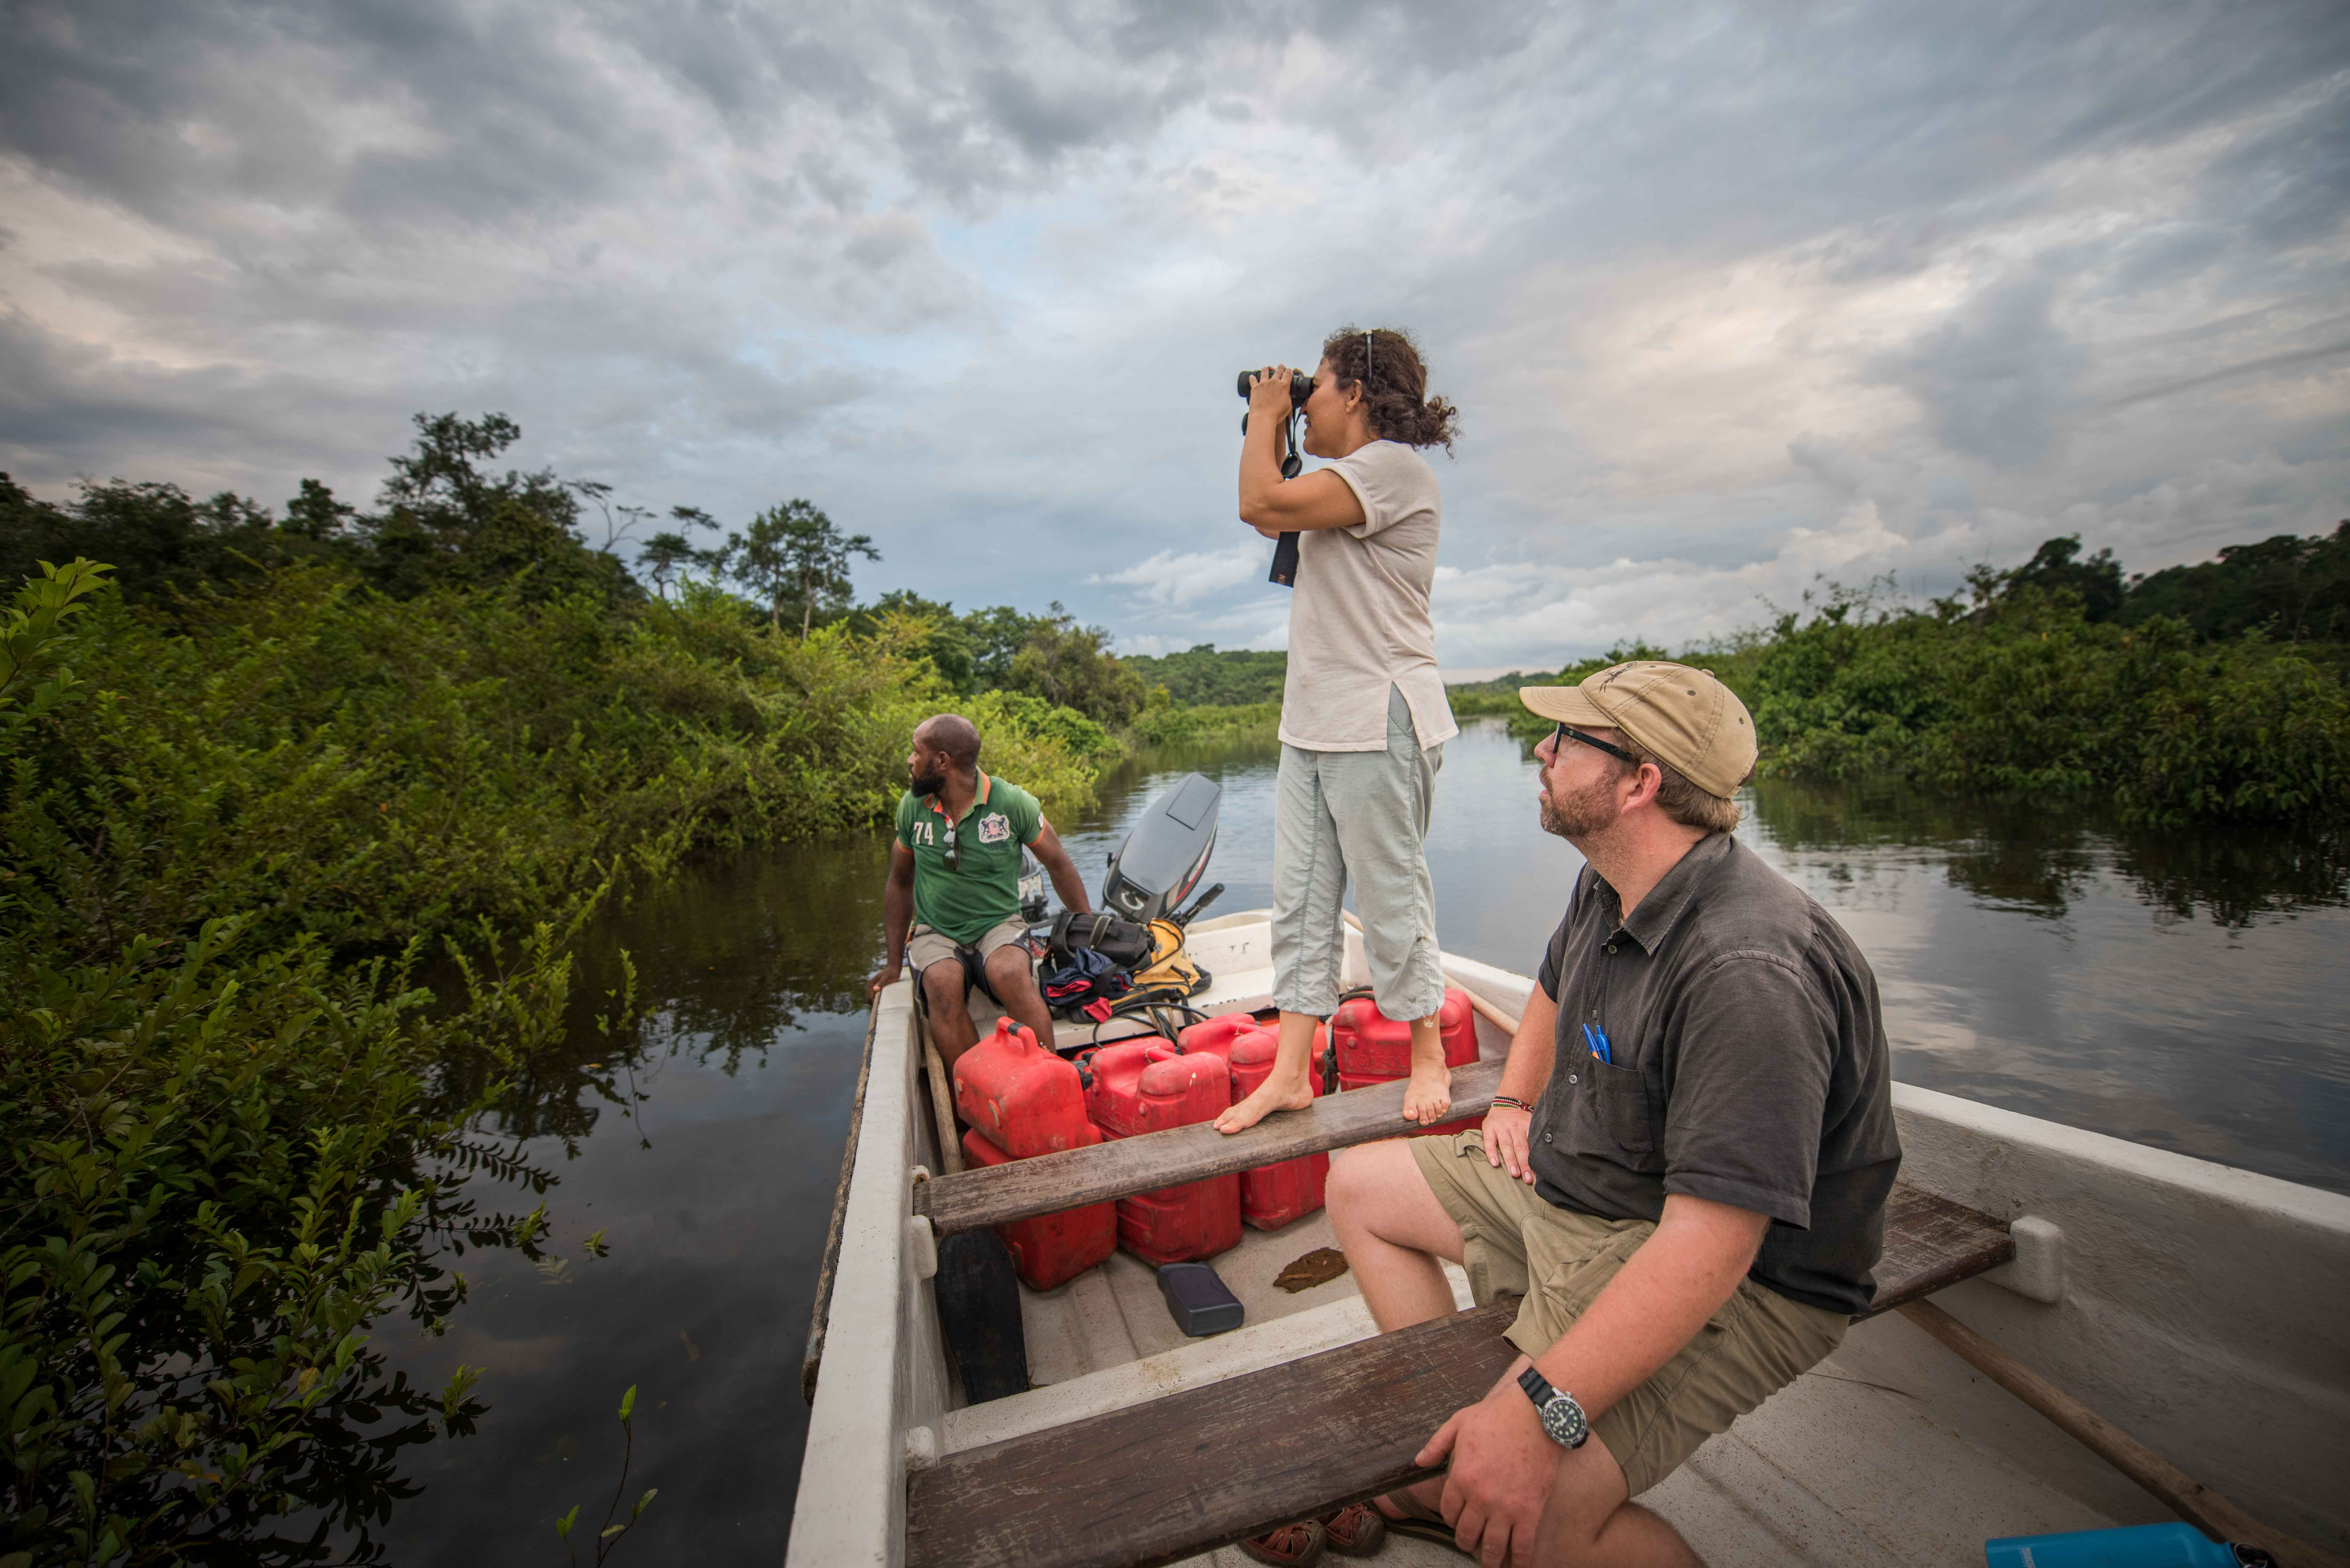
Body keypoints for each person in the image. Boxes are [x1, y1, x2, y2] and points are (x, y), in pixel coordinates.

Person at [1323, 662, 1901, 1567]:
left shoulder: (1745, 972)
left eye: (1567, 741)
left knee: (1542, 1516)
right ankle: (1464, 1455)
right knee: (1357, 1181)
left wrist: (1539, 1409)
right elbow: (1554, 987)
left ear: (1640, 784)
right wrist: (1512, 1099)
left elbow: (1708, 1247)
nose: (1539, 751)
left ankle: (1497, 1456)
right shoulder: (1615, 874)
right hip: (1589, 1192)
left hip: (1739, 1279)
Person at [1216, 325, 1464, 1137]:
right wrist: (1279, 424)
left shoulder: (1392, 468)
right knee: (1301, 903)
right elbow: (1270, 514)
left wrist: (1262, 413)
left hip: (1379, 714)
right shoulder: (1342, 482)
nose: (1303, 402)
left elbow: (1259, 500)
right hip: (1315, 721)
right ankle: (1292, 1072)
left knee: (1392, 893)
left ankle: (1428, 1051)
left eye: (1313, 389)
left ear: (1355, 393)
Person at [865, 713, 1092, 1066]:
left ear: (942, 761)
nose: (910, 761)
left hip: (998, 924)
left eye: (916, 752)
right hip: (935, 930)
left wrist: (1086, 934)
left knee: (1011, 974)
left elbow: (1059, 864)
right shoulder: (912, 807)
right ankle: (980, 1092)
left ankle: (1052, 1079)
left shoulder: (1011, 802)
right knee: (942, 983)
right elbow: (899, 882)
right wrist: (893, 963)